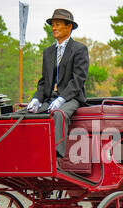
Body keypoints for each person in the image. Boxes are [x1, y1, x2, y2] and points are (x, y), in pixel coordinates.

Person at [27, 8, 89, 160]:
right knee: (27, 115)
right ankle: (31, 154)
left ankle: (56, 157)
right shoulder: (48, 52)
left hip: (71, 98)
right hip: (49, 97)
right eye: (53, 25)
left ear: (69, 27)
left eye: (58, 24)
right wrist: (36, 99)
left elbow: (78, 79)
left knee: (58, 115)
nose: (54, 28)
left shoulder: (79, 49)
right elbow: (44, 81)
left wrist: (62, 98)